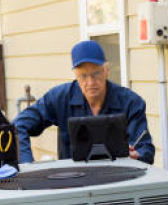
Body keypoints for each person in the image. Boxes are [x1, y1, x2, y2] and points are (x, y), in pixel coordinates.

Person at [13, 40, 155, 164]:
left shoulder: (131, 102)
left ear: (107, 71)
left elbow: (145, 148)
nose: (90, 82)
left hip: (120, 182)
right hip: (73, 183)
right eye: (83, 76)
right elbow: (18, 125)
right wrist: (26, 164)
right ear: (75, 75)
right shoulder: (60, 97)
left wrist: (137, 156)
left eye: (96, 73)